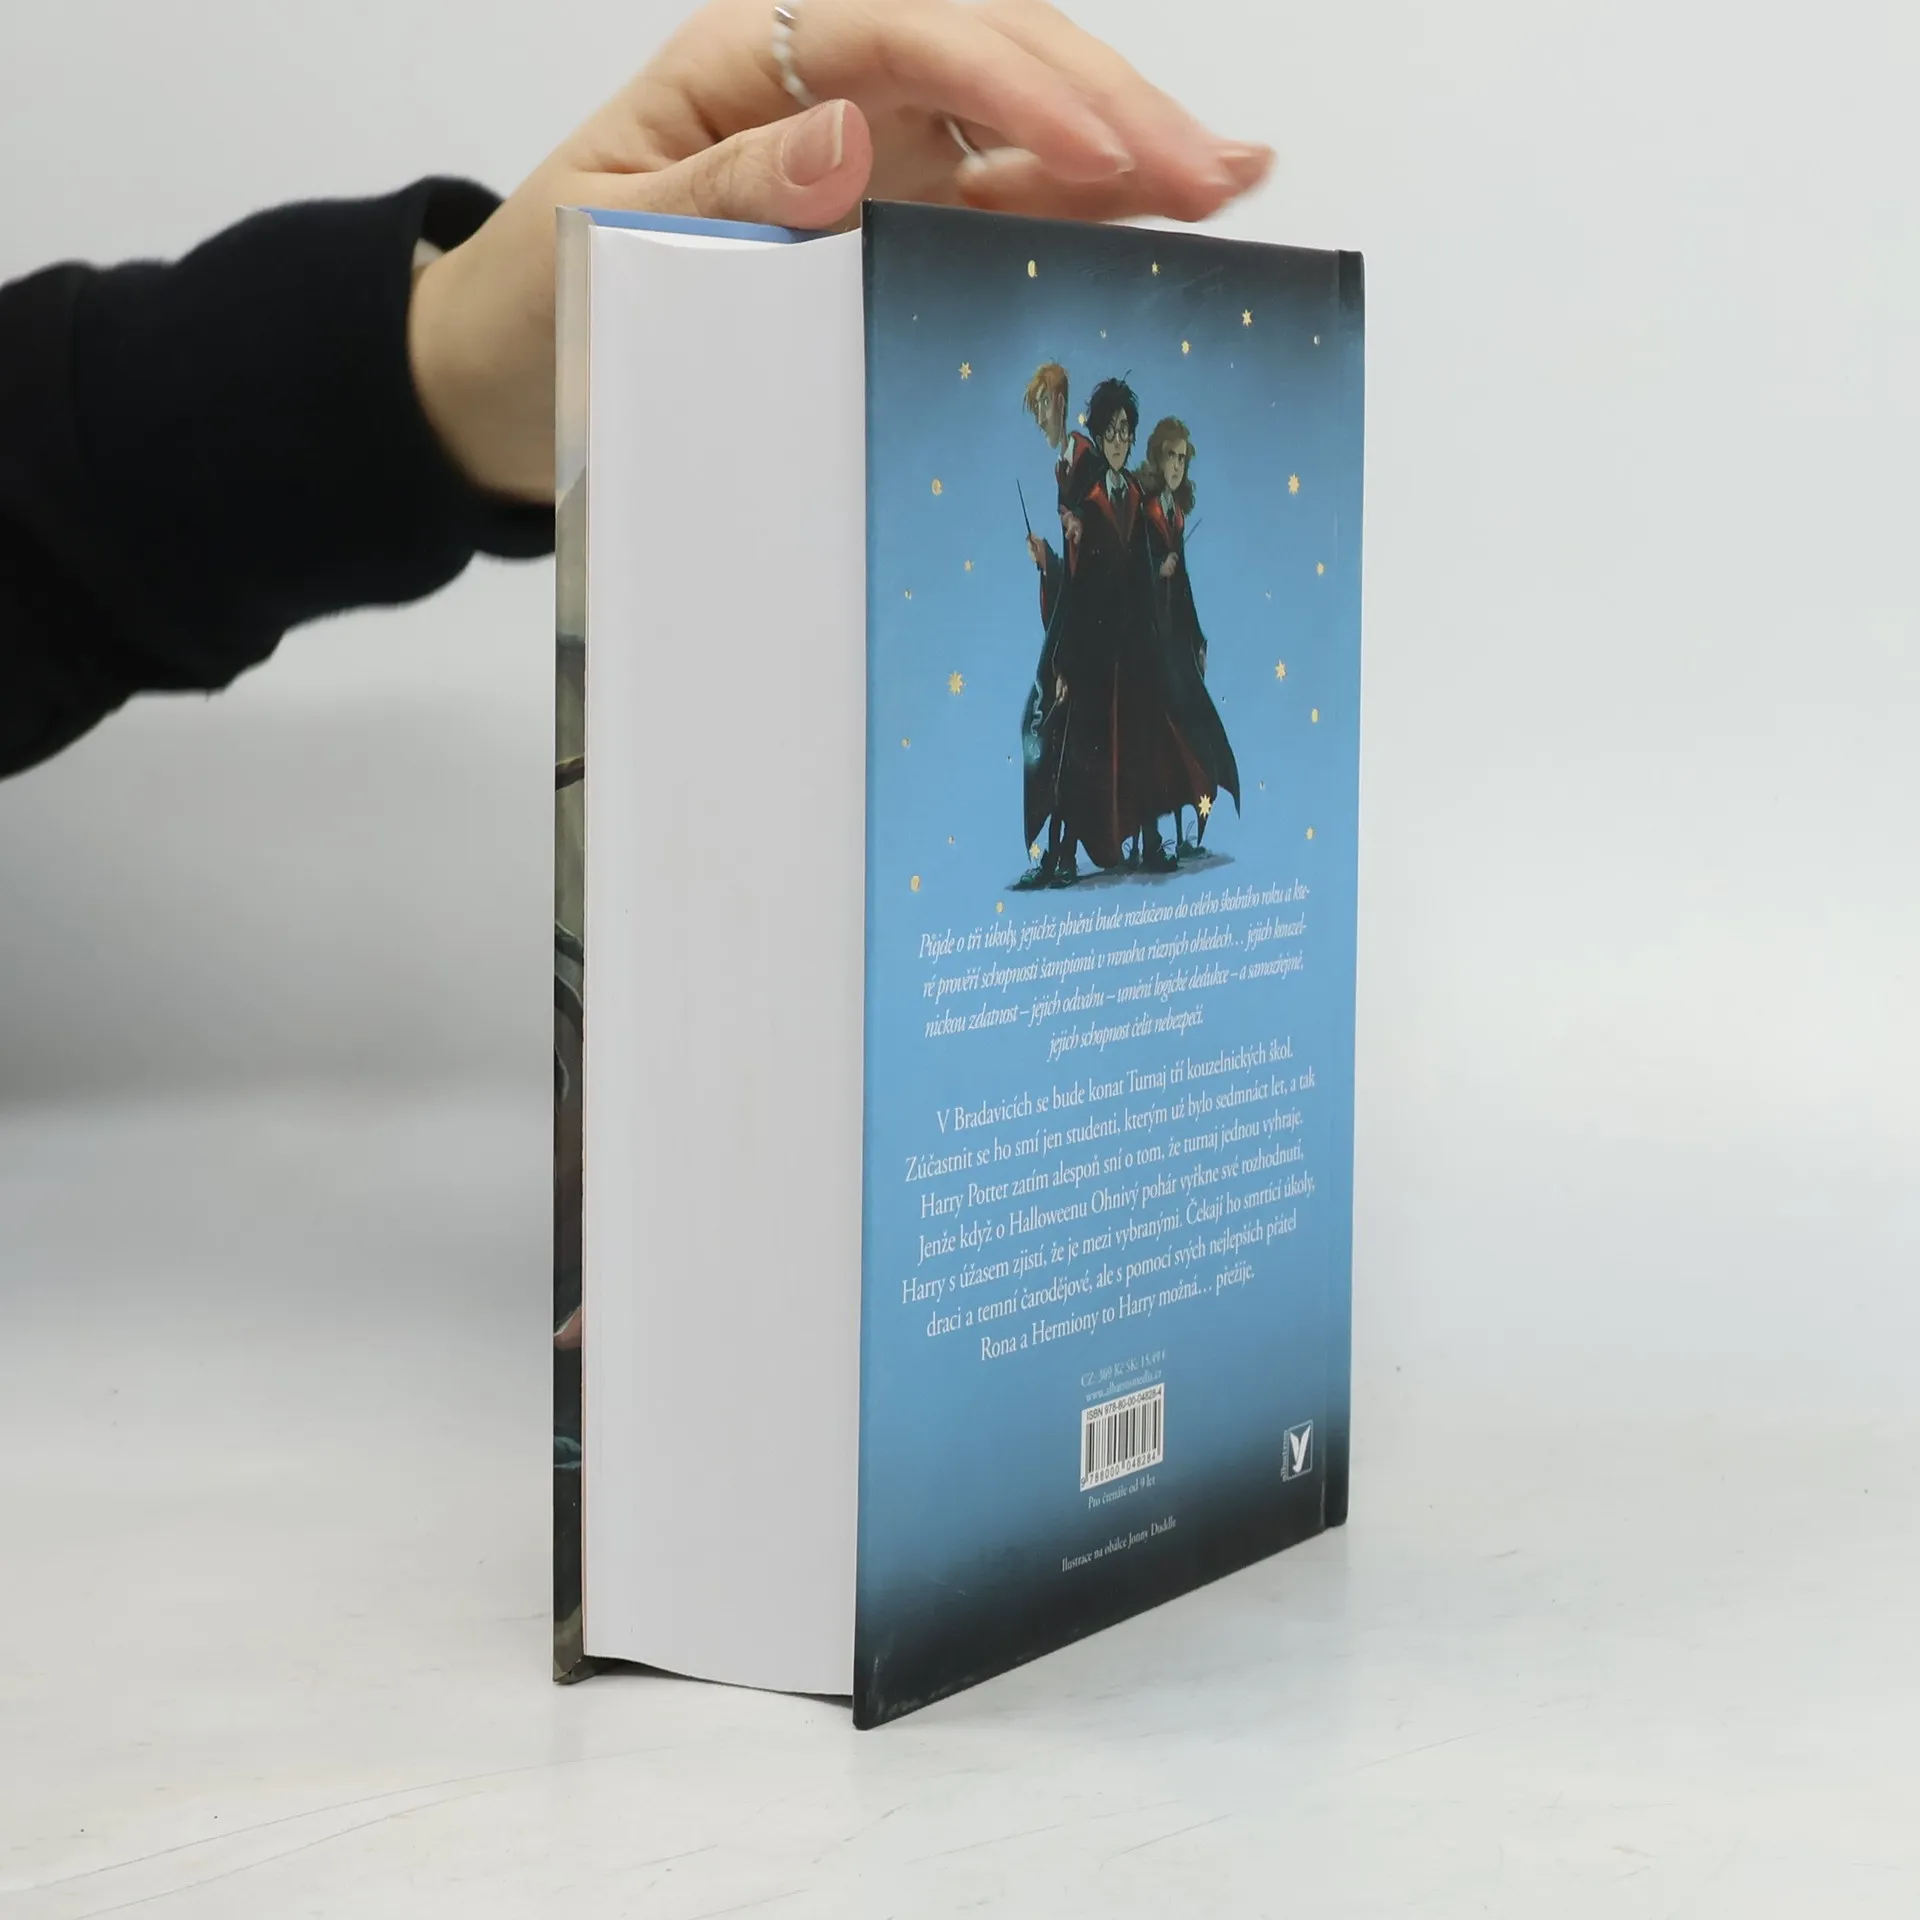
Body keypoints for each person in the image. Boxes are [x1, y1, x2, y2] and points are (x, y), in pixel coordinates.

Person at [0, 0, 1272, 782]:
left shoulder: (1135, 494)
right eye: (1124, 435)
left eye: (1134, 440)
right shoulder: (1085, 477)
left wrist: (428, 366)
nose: (1130, 448)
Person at [1135, 415, 1238, 855]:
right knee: (1162, 735)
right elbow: (1132, 570)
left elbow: (1186, 584)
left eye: (1182, 459)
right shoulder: (1145, 510)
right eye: (1170, 456)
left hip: (1176, 639)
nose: (1176, 465)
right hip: (1150, 639)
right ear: (1156, 459)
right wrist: (1157, 570)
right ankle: (1152, 837)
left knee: (1191, 728)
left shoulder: (1175, 514)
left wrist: (1198, 639)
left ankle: (1185, 831)